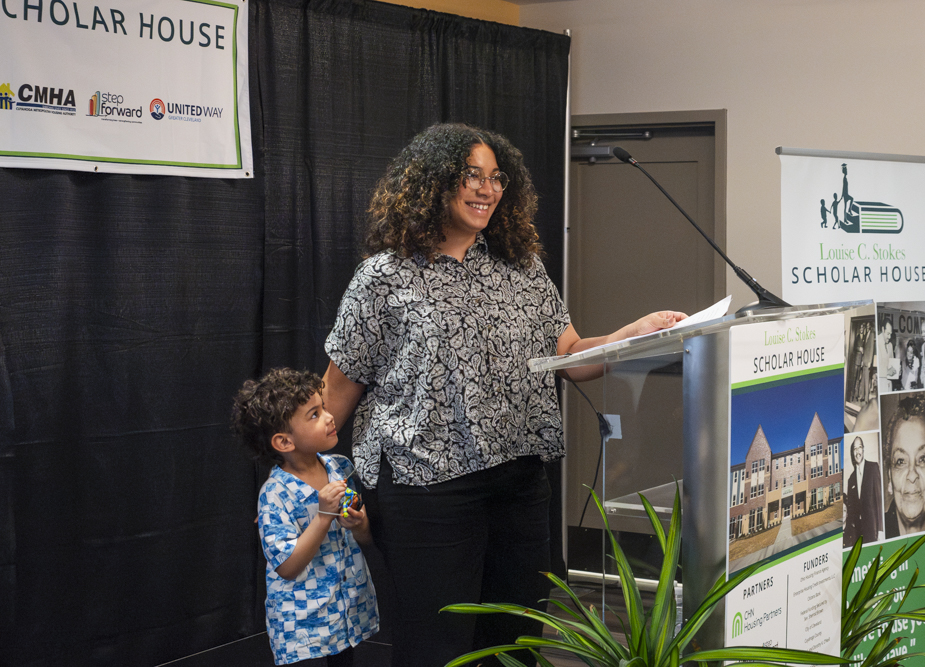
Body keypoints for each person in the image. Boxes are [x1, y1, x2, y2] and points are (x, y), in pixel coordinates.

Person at [321, 123, 686, 666]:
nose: (487, 189)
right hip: (427, 489)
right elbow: (335, 394)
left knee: (515, 644)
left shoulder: (522, 268)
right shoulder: (383, 277)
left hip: (518, 482)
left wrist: (630, 334)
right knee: (437, 649)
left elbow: (571, 355)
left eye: (496, 178)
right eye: (471, 175)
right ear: (432, 183)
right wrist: (309, 481)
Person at [232, 368, 378, 666]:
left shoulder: (341, 468)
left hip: (346, 616)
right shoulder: (275, 495)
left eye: (323, 407)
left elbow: (365, 538)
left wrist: (360, 524)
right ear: (284, 442)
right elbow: (287, 567)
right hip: (305, 628)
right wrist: (323, 517)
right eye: (315, 414)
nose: (330, 417)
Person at [883, 393, 925, 537]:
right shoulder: (873, 537)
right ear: (890, 478)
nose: (912, 475)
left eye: (922, 459)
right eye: (900, 461)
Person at [844, 436, 881, 547]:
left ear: (863, 449)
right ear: (852, 453)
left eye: (859, 447)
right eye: (855, 449)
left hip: (873, 532)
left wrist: (880, 530)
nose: (857, 452)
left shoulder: (873, 468)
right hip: (858, 535)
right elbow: (851, 510)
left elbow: (879, 500)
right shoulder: (851, 479)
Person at [878, 318, 899, 393]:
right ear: (883, 329)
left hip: (889, 385)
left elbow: (892, 365)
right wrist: (887, 372)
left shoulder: (890, 345)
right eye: (888, 334)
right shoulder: (877, 343)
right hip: (881, 385)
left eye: (891, 334)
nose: (889, 337)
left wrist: (897, 371)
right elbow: (876, 369)